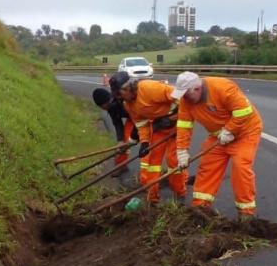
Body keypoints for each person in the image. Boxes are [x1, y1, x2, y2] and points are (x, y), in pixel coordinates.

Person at [171, 71, 263, 221]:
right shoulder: (186, 101)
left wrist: (230, 130)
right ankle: (200, 208)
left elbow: (244, 111)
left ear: (197, 88)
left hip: (245, 133)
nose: (184, 98)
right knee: (208, 167)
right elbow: (184, 125)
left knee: (241, 167)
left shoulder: (222, 87)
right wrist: (182, 151)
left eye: (186, 94)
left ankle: (246, 213)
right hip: (218, 137)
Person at [109, 72, 187, 204]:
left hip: (180, 125)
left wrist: (173, 118)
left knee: (172, 160)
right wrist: (144, 143)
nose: (118, 98)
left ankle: (180, 192)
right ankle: (153, 198)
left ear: (128, 88)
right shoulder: (128, 105)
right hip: (160, 128)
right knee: (152, 163)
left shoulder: (149, 88)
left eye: (119, 94)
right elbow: (142, 124)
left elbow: (182, 99)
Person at [92, 87, 137, 173]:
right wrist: (120, 141)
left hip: (143, 115)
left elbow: (138, 114)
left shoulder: (121, 100)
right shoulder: (110, 107)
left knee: (148, 143)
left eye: (101, 106)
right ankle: (121, 166)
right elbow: (117, 123)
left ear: (106, 102)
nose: (102, 108)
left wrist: (135, 135)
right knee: (123, 143)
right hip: (132, 118)